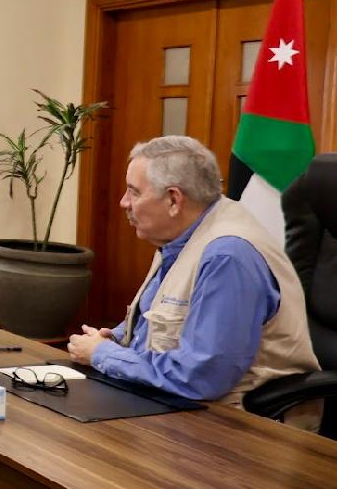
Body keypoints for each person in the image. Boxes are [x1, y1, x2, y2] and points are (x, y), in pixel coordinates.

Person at [67, 135, 322, 431]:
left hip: (243, 430)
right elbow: (161, 318)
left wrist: (102, 354)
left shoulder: (228, 256)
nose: (124, 202)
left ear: (174, 200)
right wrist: (114, 338)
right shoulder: (181, 235)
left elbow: (202, 377)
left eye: (134, 192)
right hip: (180, 413)